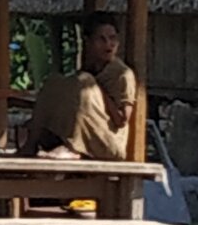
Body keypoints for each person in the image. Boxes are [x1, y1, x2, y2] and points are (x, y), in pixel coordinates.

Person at [30, 11, 139, 162]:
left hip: (108, 142)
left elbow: (122, 120)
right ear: (88, 41)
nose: (108, 44)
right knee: (54, 82)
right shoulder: (89, 67)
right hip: (87, 133)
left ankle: (73, 147)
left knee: (84, 82)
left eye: (112, 38)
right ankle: (31, 144)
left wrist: (96, 89)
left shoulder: (122, 74)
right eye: (101, 39)